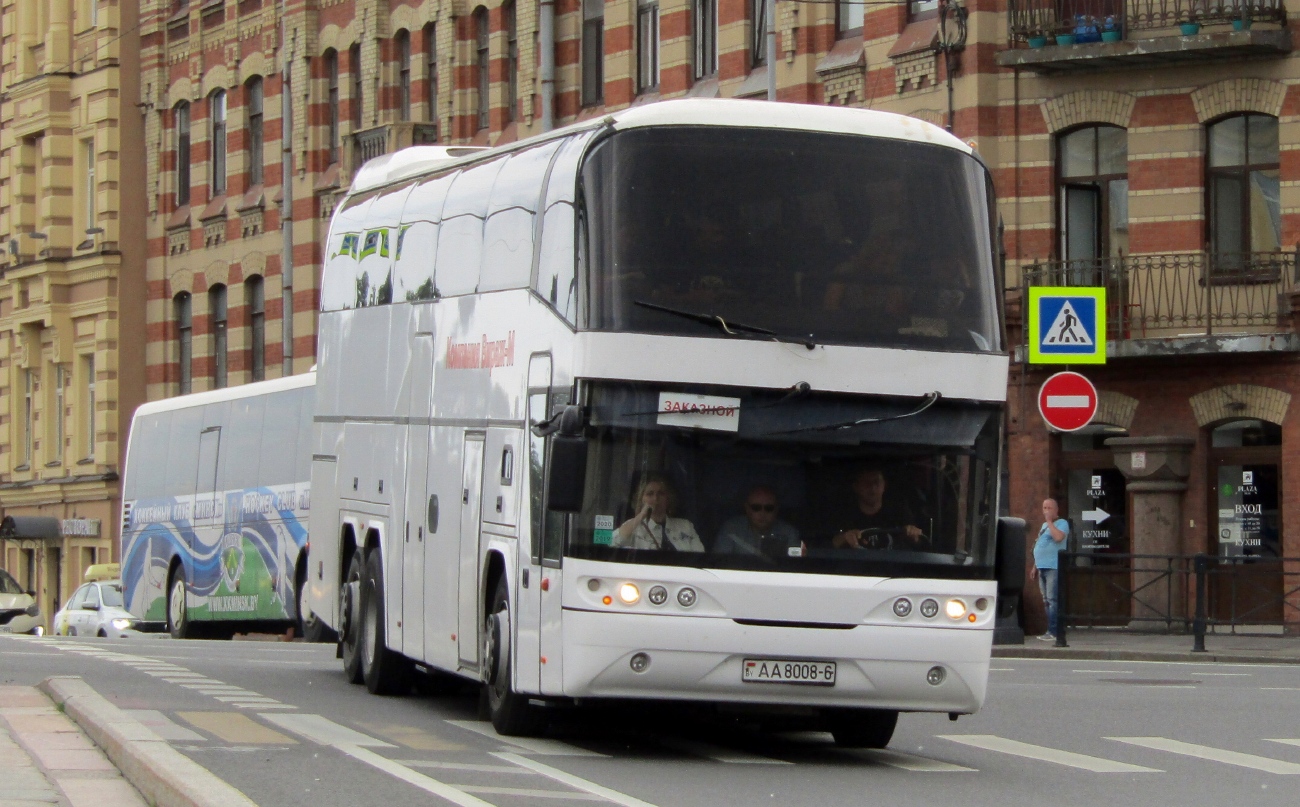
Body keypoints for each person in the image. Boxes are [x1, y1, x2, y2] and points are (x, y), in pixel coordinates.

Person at [827, 467, 927, 550]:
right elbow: (826, 545)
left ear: (884, 486)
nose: (872, 487)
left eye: (877, 482)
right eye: (867, 483)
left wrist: (914, 536)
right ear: (856, 487)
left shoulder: (899, 511)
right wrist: (844, 538)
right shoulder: (843, 513)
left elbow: (920, 546)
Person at [613, 473, 705, 552]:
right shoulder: (634, 528)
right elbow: (611, 543)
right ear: (641, 499)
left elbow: (699, 555)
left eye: (661, 493)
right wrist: (641, 516)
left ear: (668, 498)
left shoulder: (686, 526)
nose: (656, 498)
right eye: (650, 494)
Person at [713, 486, 802, 559]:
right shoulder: (731, 529)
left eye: (769, 508)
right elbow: (719, 563)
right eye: (756, 508)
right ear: (747, 509)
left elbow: (794, 565)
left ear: (776, 509)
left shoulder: (789, 533)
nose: (762, 514)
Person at [1030, 498, 1070, 641]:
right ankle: (1050, 629)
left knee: (1053, 599)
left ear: (1056, 510)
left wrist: (1049, 523)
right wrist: (1035, 566)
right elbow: (1040, 545)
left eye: (1049, 508)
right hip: (1042, 567)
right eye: (1044, 508)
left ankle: (1054, 631)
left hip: (1054, 566)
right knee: (1046, 599)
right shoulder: (1043, 526)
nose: (1046, 511)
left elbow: (1059, 537)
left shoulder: (1062, 523)